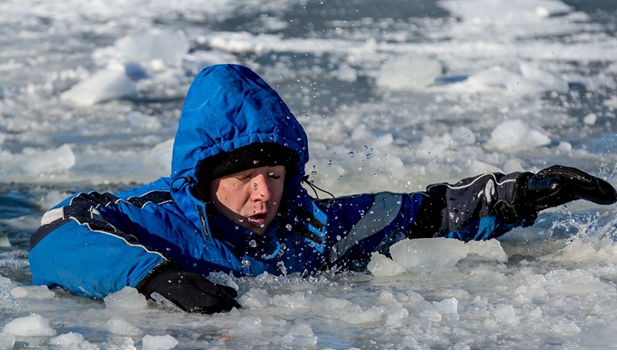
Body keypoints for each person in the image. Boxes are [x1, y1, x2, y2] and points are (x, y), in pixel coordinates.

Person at [29, 64, 617, 314]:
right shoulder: (154, 217)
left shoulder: (308, 224)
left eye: (276, 177)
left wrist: (520, 194)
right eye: (242, 180)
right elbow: (54, 234)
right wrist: (155, 277)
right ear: (205, 179)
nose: (264, 195)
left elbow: (423, 214)